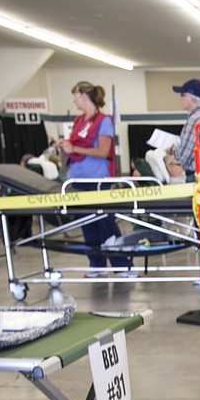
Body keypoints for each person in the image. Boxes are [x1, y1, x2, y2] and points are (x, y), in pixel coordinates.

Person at [58, 81, 132, 275]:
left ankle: (122, 265)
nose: (74, 99)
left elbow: (103, 150)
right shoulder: (78, 121)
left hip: (97, 179)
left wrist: (73, 148)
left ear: (83, 96)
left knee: (106, 223)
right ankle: (97, 265)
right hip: (78, 179)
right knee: (87, 224)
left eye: (75, 95)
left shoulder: (103, 121)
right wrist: (66, 146)